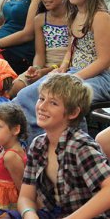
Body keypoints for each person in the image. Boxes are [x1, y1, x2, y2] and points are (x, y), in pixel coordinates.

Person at [14, 0, 110, 139]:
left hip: (100, 77)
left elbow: (104, 61)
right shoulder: (74, 14)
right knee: (25, 95)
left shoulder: (100, 16)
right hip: (74, 72)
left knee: (62, 97)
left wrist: (75, 78)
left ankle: (75, 149)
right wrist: (62, 68)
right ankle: (37, 146)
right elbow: (71, 49)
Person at [17, 73, 110, 218]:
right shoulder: (38, 144)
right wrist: (29, 214)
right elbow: (25, 197)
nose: (42, 106)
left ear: (73, 112)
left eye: (53, 103)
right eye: (41, 98)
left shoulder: (80, 147)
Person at [9, 0, 68, 98]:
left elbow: (70, 57)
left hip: (65, 68)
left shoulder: (74, 19)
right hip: (44, 68)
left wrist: (45, 72)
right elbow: (40, 54)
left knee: (35, 92)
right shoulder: (40, 19)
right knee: (15, 87)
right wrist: (35, 68)